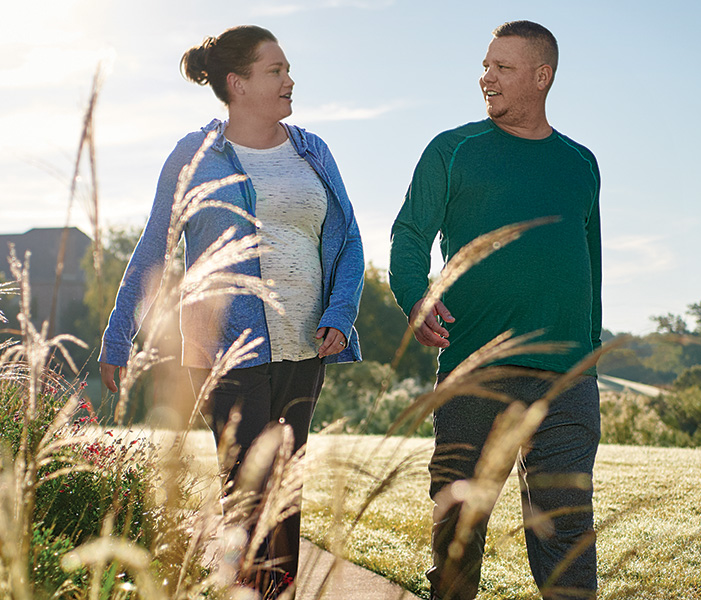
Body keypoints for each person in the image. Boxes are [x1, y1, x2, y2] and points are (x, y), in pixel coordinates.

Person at [99, 25, 364, 599]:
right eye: (276, 71)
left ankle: (275, 590)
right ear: (238, 84)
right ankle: (245, 587)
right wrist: (118, 339)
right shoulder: (196, 155)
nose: (290, 80)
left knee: (286, 481)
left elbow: (347, 238)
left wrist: (341, 313)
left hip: (305, 344)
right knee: (248, 482)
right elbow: (153, 249)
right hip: (226, 346)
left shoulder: (312, 150)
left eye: (288, 69)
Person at [389, 20, 602, 600]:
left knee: (567, 530)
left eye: (502, 68)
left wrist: (590, 354)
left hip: (567, 380)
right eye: (486, 66)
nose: (486, 78)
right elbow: (410, 234)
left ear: (542, 76)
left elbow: (592, 262)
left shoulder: (581, 164)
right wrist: (414, 295)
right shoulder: (452, 151)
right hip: (473, 370)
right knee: (459, 527)